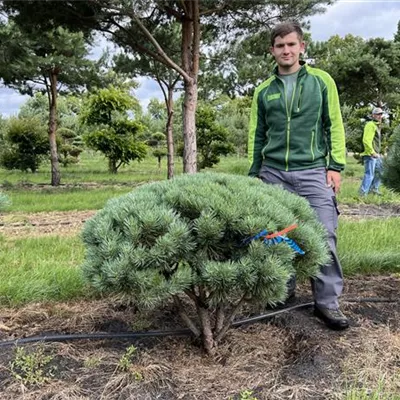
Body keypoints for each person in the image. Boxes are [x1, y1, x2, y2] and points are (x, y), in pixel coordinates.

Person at [248, 21, 349, 330]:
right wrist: (254, 173)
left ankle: (327, 302)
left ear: (302, 47)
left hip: (313, 171)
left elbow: (334, 124)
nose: (286, 50)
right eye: (280, 46)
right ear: (272, 51)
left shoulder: (321, 82)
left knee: (325, 235)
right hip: (273, 173)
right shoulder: (264, 91)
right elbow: (257, 134)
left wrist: (336, 166)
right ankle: (282, 292)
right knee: (277, 236)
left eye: (291, 44)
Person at [359, 108, 384, 196]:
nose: (379, 116)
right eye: (377, 114)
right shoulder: (370, 125)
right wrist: (372, 152)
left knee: (381, 171)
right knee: (369, 174)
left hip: (376, 154)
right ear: (373, 115)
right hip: (370, 154)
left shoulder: (377, 125)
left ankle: (373, 189)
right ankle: (363, 193)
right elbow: (366, 140)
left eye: (381, 114)